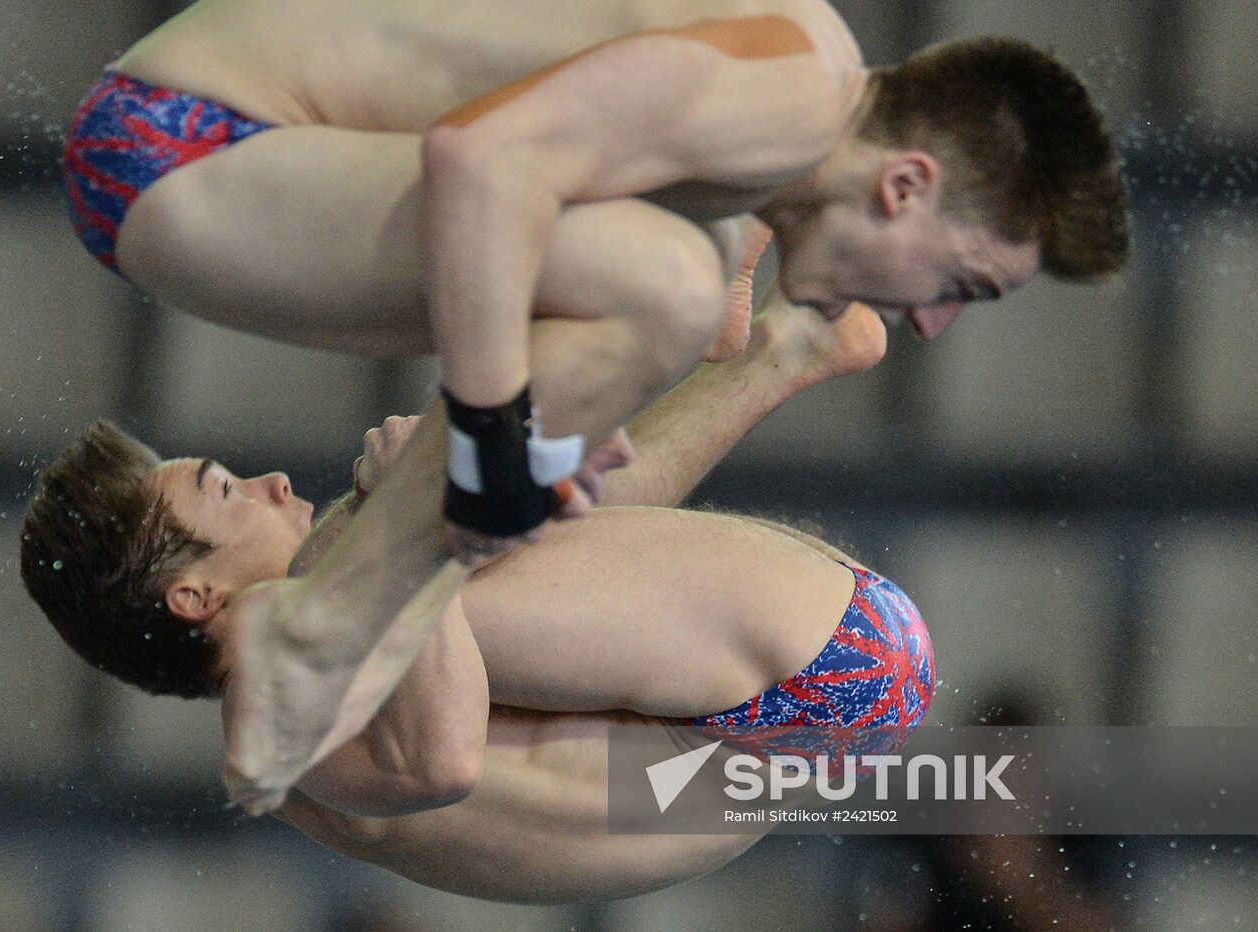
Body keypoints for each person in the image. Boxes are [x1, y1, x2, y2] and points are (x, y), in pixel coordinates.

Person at [59, 0, 1128, 806]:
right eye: (960, 284)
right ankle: (342, 616)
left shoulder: (783, 78)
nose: (934, 322)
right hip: (177, 146)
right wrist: (488, 443)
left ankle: (390, 575)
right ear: (902, 187)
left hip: (182, 144)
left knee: (668, 286)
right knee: (656, 283)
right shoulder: (792, 93)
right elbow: (478, 159)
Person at [21, 300, 929, 901]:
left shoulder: (310, 724)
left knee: (417, 537)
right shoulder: (286, 668)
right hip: (818, 676)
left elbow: (588, 591)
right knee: (370, 544)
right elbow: (444, 764)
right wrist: (411, 505)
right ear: (194, 595)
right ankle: (695, 332)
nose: (268, 481)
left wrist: (430, 512)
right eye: (225, 492)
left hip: (792, 725)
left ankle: (776, 358)